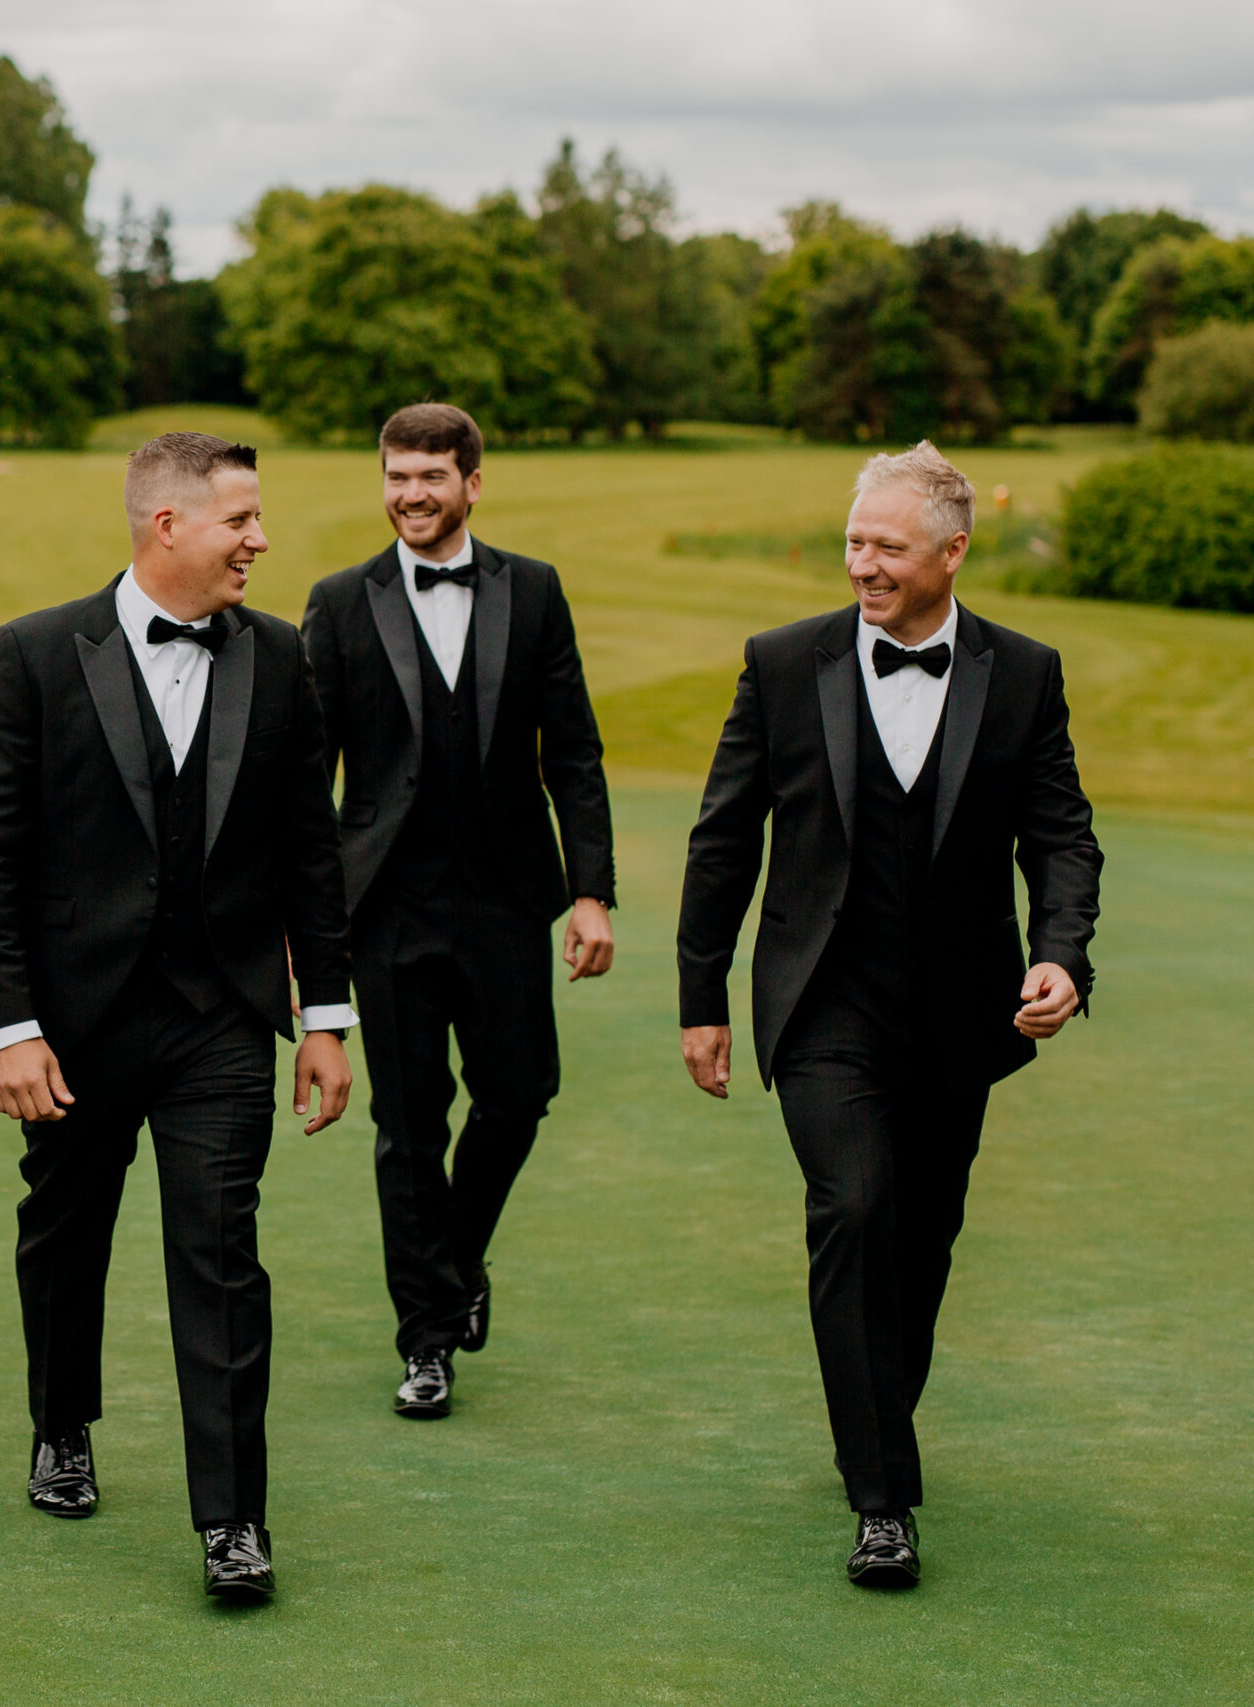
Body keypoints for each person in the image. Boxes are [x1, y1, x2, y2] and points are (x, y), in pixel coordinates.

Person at [675, 441, 1102, 1589]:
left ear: (952, 553)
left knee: (922, 1239)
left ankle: (872, 1410)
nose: (861, 563)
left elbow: (1059, 834)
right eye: (854, 541)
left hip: (964, 1015)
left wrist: (1061, 955)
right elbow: (724, 837)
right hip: (822, 1004)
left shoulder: (1021, 672)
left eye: (887, 546)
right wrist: (699, 997)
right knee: (854, 1208)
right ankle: (881, 1502)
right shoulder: (782, 663)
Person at [0, 432, 356, 1601]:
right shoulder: (33, 654)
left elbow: (307, 855)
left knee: (221, 1253)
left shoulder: (279, 657)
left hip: (221, 1017)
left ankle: (232, 1518)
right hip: (72, 1025)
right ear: (167, 525)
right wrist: (6, 1026)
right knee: (64, 1236)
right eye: (242, 521)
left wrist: (323, 1014)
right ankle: (61, 1423)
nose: (261, 542)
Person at [300, 403, 616, 1419]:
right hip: (383, 907)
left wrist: (590, 889)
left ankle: (456, 1259)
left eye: (431, 476)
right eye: (396, 476)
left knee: (518, 1095)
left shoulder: (533, 591)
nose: (410, 495)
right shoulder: (340, 602)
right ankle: (426, 1338)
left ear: (473, 483)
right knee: (406, 1125)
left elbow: (571, 750)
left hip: (506, 897)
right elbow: (308, 774)